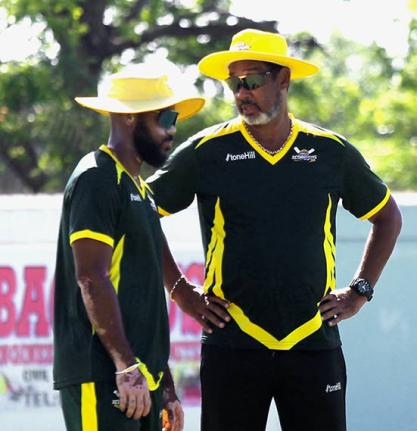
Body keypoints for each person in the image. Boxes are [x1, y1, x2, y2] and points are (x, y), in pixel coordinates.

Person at [146, 29, 403, 431]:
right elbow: (141, 213)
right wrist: (179, 290)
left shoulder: (329, 151)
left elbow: (388, 217)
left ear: (283, 79)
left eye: (252, 81)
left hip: (312, 341)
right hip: (232, 341)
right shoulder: (206, 151)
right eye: (235, 83)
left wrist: (360, 291)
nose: (241, 93)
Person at [52, 64, 206, 431]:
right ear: (131, 118)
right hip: (106, 376)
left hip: (140, 380)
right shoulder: (97, 177)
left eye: (175, 119)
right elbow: (90, 277)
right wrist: (126, 367)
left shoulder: (140, 188)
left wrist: (164, 385)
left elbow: (145, 297)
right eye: (166, 117)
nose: (172, 130)